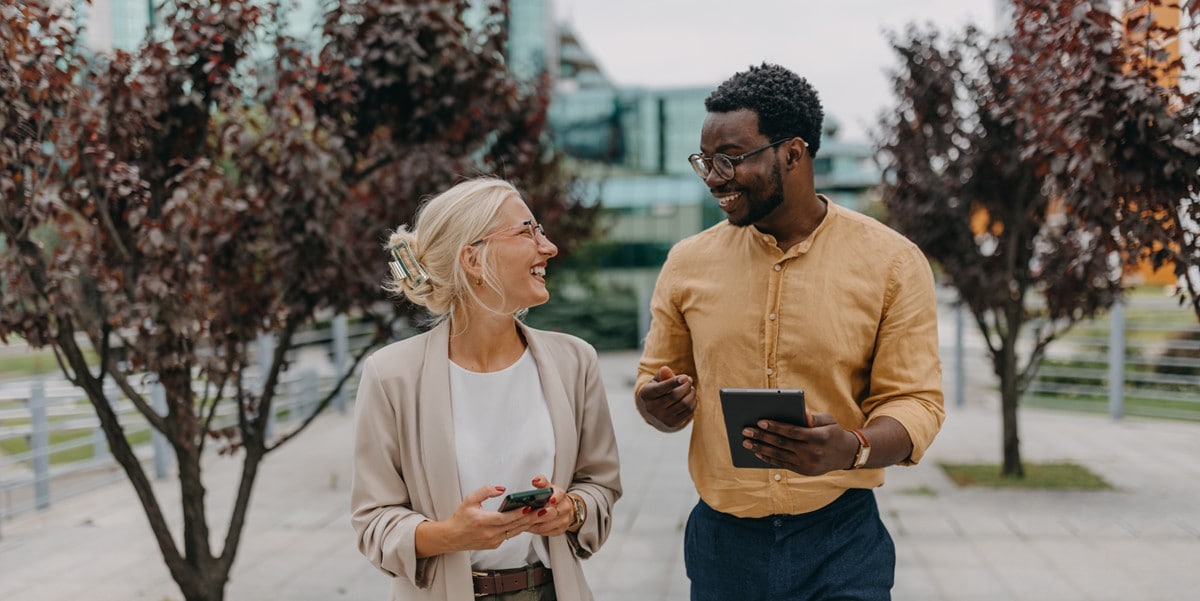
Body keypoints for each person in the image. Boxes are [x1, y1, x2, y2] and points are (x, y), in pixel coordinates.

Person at [634, 63, 945, 601]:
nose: (713, 177)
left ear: (794, 153)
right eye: (705, 161)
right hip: (722, 544)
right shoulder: (686, 263)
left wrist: (852, 447)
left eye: (730, 159)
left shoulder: (892, 263)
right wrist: (658, 403)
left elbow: (916, 402)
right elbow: (652, 382)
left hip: (842, 540)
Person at [351, 177, 622, 600]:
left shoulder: (576, 361)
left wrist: (573, 510)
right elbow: (373, 521)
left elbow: (600, 485)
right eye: (527, 231)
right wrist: (450, 535)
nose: (548, 247)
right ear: (473, 260)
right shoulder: (390, 375)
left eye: (541, 231)